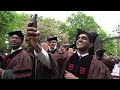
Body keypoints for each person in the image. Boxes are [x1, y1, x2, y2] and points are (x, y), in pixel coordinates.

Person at [26, 24, 113, 79]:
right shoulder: (65, 57)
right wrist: (36, 46)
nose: (80, 40)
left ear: (90, 45)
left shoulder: (98, 66)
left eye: (84, 38)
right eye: (78, 38)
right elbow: (49, 61)